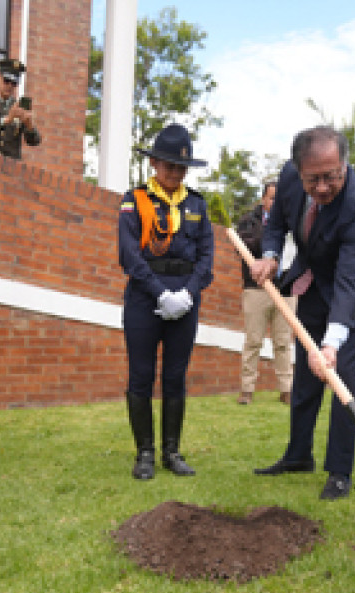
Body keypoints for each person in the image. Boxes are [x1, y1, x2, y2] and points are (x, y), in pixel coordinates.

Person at [250, 125, 355, 500]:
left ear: (345, 165)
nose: (323, 187)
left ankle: (340, 471)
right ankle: (298, 455)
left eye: (332, 177)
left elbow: (350, 282)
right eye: (313, 179)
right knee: (306, 372)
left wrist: (331, 343)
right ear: (298, 171)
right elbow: (279, 222)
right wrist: (269, 255)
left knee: (340, 373)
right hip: (317, 278)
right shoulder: (287, 176)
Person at [118, 123, 214, 480]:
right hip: (146, 298)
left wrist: (188, 294)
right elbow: (129, 255)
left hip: (186, 301)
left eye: (181, 167)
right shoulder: (134, 200)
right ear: (154, 164)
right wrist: (161, 294)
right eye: (169, 165)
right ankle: (144, 453)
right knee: (141, 376)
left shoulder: (196, 205)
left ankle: (171, 451)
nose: (175, 172)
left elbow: (206, 258)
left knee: (176, 377)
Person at [235, 181, 295, 405]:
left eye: (280, 199)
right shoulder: (249, 221)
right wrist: (273, 236)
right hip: (256, 289)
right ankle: (247, 390)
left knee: (283, 342)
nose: (275, 203)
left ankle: (286, 390)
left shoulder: (294, 224)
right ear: (263, 199)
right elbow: (245, 246)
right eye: (272, 198)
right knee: (253, 341)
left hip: (286, 291)